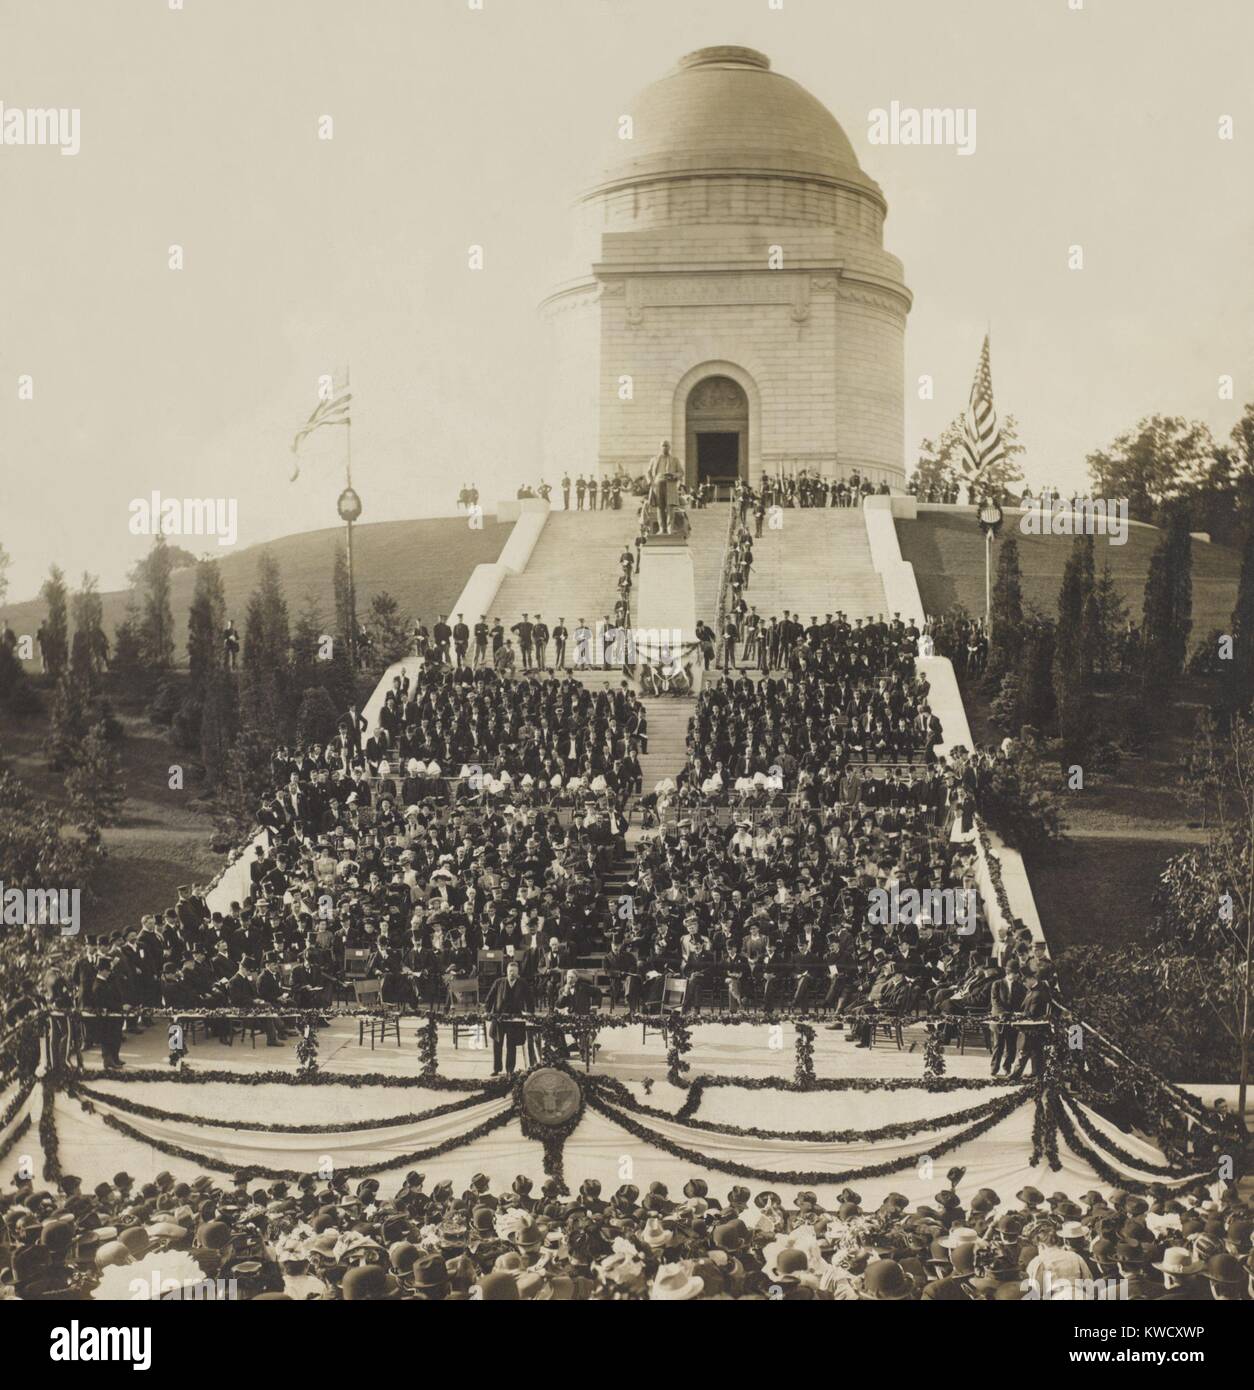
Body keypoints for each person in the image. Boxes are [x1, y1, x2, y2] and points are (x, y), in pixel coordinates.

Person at [483, 958, 535, 1075]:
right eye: (510, 971)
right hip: (499, 1018)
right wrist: (487, 1011)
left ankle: (510, 1070)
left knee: (511, 1045)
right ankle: (497, 1069)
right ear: (506, 972)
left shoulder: (523, 983)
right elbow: (490, 998)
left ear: (518, 973)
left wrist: (530, 1012)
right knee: (497, 1044)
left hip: (514, 1020)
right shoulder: (499, 982)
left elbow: (529, 999)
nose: (512, 973)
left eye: (514, 971)